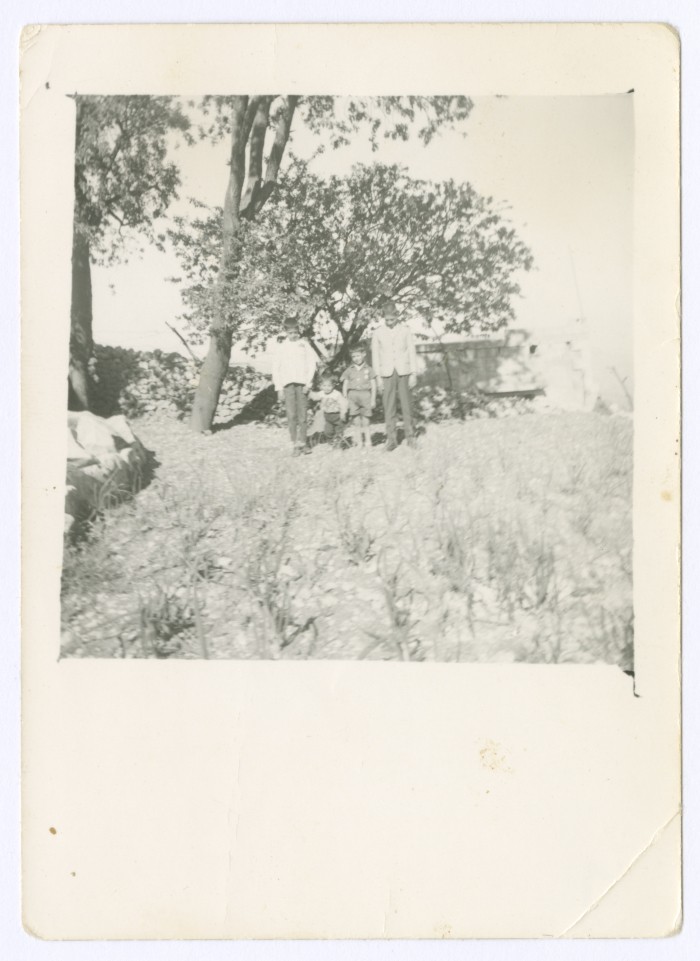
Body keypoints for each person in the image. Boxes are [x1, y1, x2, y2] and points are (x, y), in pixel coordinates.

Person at [370, 300, 418, 451]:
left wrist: (413, 374)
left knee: (406, 405)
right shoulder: (377, 332)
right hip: (386, 373)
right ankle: (391, 439)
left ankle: (410, 437)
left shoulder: (406, 330)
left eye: (392, 319)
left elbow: (411, 352)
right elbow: (375, 356)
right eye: (387, 320)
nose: (390, 323)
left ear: (397, 316)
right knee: (389, 406)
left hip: (404, 371)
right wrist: (378, 377)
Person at [271, 316, 317, 456]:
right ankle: (295, 444)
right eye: (290, 333)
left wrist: (308, 383)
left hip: (302, 384)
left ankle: (303, 442)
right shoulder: (281, 347)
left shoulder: (304, 345)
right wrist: (279, 388)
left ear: (299, 331)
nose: (294, 335)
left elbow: (312, 363)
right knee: (291, 415)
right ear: (286, 332)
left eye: (296, 332)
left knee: (303, 414)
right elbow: (276, 368)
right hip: (288, 385)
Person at [341, 345, 377, 450]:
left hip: (366, 396)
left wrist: (373, 399)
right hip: (353, 397)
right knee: (356, 421)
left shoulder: (369, 369)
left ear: (363, 354)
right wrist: (345, 399)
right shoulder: (349, 370)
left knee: (366, 421)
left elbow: (373, 385)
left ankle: (368, 441)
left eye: (358, 355)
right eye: (354, 356)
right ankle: (359, 442)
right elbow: (345, 385)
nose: (356, 358)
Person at [309, 373, 348, 447]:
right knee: (327, 431)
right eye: (324, 385)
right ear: (321, 386)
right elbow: (315, 397)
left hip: (337, 416)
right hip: (327, 417)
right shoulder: (322, 393)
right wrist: (309, 392)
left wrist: (343, 413)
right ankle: (331, 442)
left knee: (339, 430)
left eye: (329, 385)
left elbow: (343, 403)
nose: (327, 388)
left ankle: (339, 443)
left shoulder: (336, 394)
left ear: (333, 385)